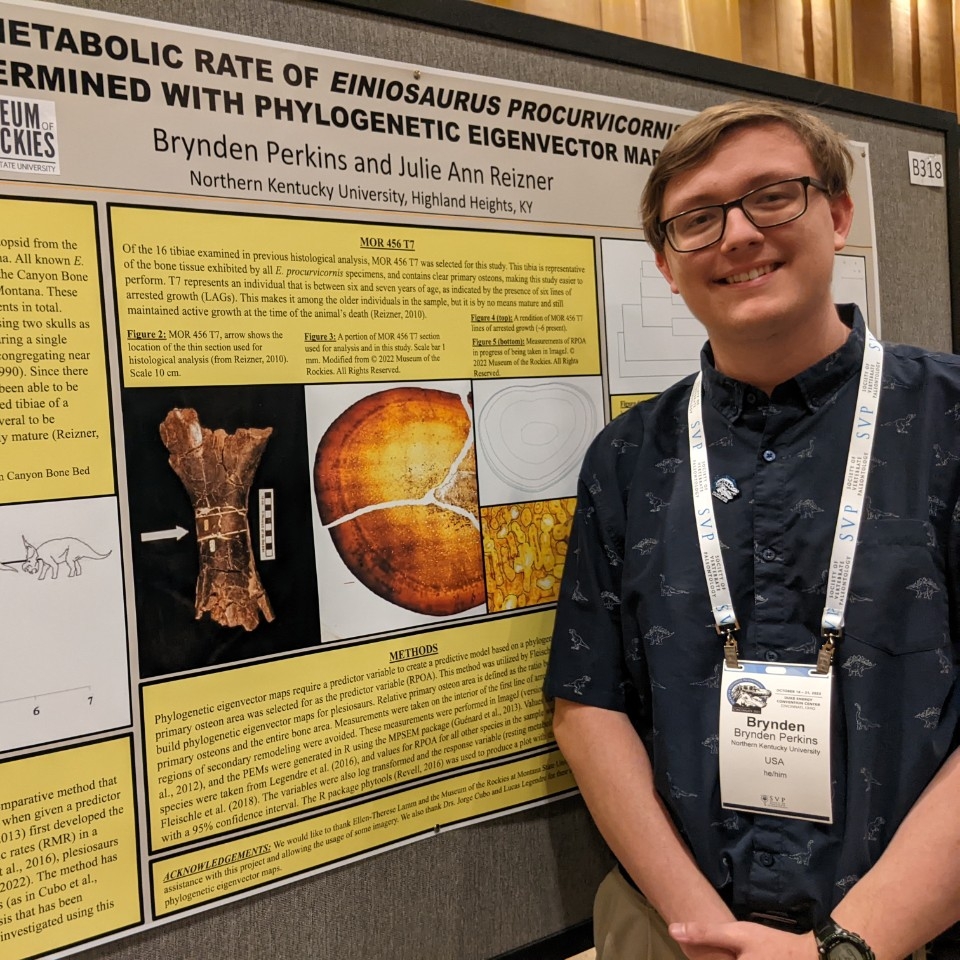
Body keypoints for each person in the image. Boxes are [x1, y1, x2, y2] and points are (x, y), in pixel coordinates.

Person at [544, 99, 960, 960]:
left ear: (838, 215)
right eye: (696, 219)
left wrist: (845, 948)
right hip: (679, 931)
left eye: (773, 196)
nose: (736, 235)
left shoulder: (947, 420)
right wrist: (700, 929)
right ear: (666, 263)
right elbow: (588, 703)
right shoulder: (627, 458)